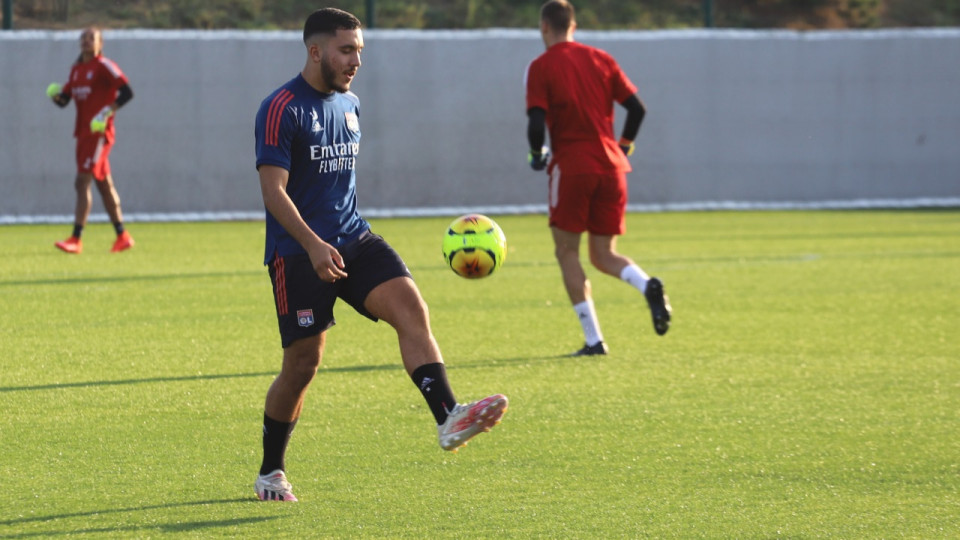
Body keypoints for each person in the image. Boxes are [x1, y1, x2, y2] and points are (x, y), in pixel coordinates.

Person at [252, 8, 508, 502]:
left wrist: (336, 237)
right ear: (315, 51)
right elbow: (273, 192)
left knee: (411, 309)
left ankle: (449, 418)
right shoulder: (280, 107)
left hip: (354, 237)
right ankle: (270, 471)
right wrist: (312, 244)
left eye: (360, 51)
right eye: (346, 50)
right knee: (302, 365)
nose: (355, 61)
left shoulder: (350, 104)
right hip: (298, 253)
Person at [524, 0, 672, 356]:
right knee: (604, 254)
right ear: (573, 26)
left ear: (545, 26)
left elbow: (536, 121)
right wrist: (624, 146)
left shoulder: (541, 66)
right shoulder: (601, 59)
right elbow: (637, 108)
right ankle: (647, 284)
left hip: (573, 166)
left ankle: (594, 340)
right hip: (612, 168)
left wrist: (536, 154)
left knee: (566, 251)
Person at [47, 26, 135, 254]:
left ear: (100, 44)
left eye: (92, 38)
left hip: (99, 134)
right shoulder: (76, 70)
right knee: (104, 184)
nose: (87, 41)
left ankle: (76, 239)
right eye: (84, 38)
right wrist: (55, 96)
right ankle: (122, 235)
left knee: (81, 182)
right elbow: (64, 100)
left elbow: (127, 92)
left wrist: (106, 112)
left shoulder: (104, 66)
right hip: (83, 134)